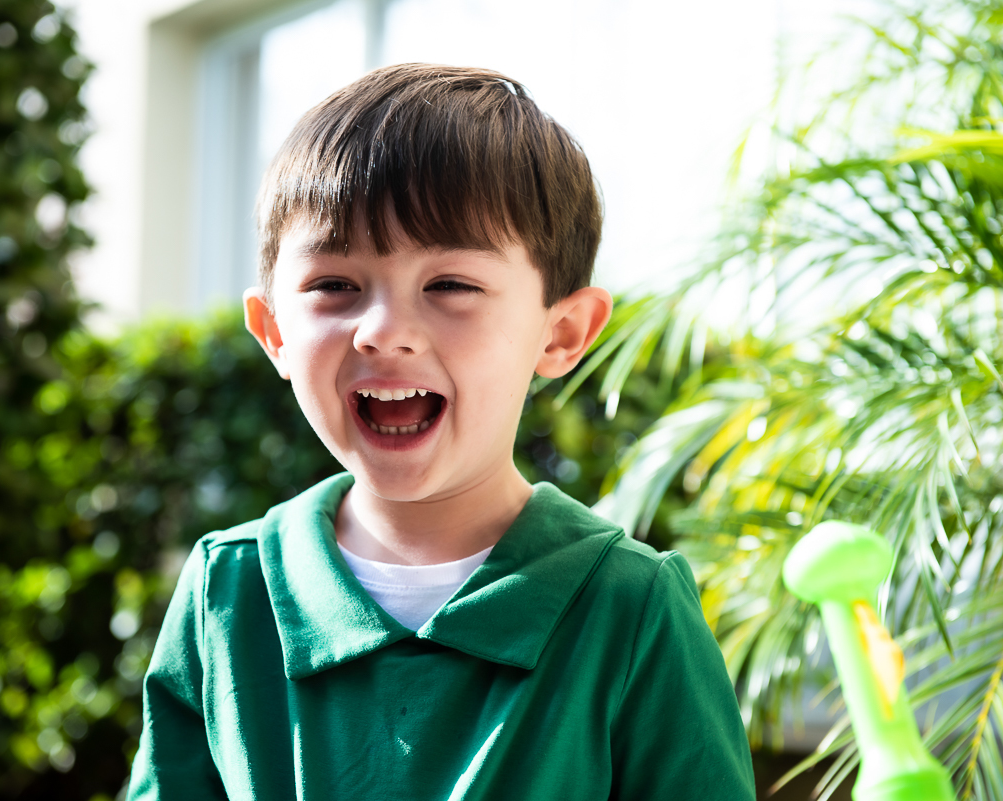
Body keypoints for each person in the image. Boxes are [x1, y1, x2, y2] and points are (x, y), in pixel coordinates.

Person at [128, 63, 756, 800]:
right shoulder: (227, 592)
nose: (383, 332)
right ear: (273, 333)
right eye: (335, 285)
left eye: (450, 285)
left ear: (561, 332)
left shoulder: (630, 607)